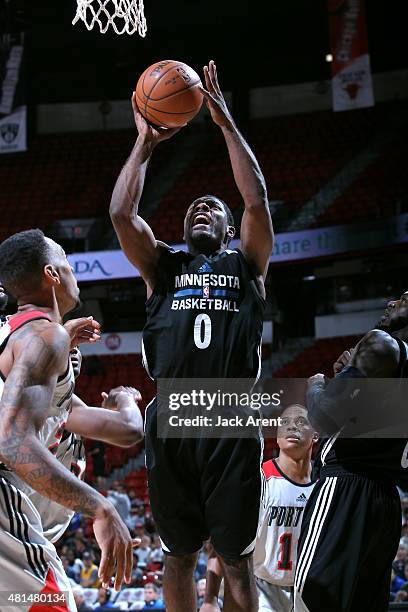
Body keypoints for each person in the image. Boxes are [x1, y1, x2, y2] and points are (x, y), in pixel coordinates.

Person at [110, 60, 273, 612]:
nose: (202, 208)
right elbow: (121, 213)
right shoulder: (163, 267)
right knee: (178, 555)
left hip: (229, 410)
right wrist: (144, 144)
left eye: (214, 209)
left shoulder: (247, 265)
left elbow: (255, 202)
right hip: (173, 410)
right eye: (194, 208)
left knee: (236, 559)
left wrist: (226, 124)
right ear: (182, 229)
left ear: (228, 231)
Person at [0, 229, 142, 611]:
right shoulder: (43, 338)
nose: (72, 267)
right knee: (54, 604)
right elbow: (12, 442)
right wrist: (100, 506)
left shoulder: (19, 336)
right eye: (66, 257)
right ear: (51, 274)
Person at [294, 291, 408, 612]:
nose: (390, 303)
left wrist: (317, 386)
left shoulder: (379, 343)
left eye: (403, 298)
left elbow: (321, 416)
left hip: (344, 486)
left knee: (310, 598)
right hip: (386, 500)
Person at [201, 404, 318, 612]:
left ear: (316, 434)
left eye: (301, 422)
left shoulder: (325, 485)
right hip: (261, 585)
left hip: (310, 588)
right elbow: (222, 542)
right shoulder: (258, 479)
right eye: (285, 423)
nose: (292, 427)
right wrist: (209, 599)